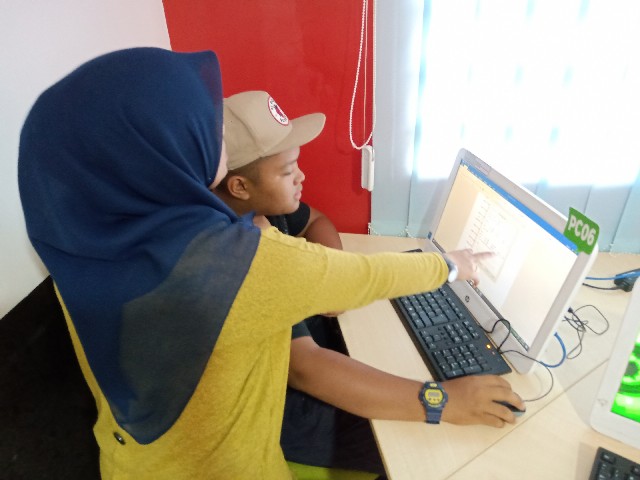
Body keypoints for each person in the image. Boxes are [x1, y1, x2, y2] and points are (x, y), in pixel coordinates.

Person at [17, 48, 521, 480]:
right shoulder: (236, 261)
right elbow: (367, 278)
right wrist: (451, 267)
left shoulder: (88, 244)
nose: (215, 135)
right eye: (205, 127)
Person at [216, 91, 525, 476]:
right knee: (420, 441)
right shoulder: (247, 257)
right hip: (281, 409)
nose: (302, 177)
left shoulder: (257, 211)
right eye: (287, 170)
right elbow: (305, 368)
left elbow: (317, 220)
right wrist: (442, 400)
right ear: (240, 186)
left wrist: (334, 273)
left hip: (307, 360)